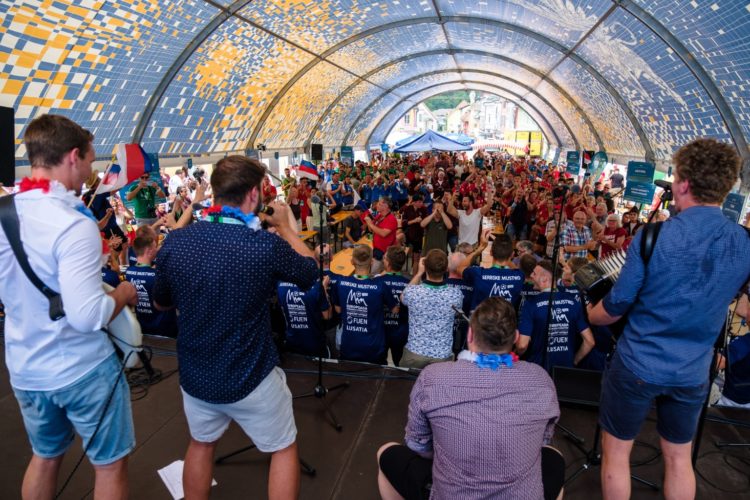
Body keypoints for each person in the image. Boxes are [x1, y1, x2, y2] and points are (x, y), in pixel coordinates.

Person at [587, 138, 750, 500]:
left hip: (637, 364)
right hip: (693, 371)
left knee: (616, 454)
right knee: (679, 458)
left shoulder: (654, 236)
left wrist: (591, 315)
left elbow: (616, 305)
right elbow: (743, 307)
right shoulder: (744, 241)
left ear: (684, 184)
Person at [153, 155, 319, 500]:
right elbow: (309, 271)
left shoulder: (176, 242)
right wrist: (288, 227)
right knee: (284, 448)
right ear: (254, 196)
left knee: (200, 444)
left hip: (197, 374)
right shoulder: (264, 246)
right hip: (251, 374)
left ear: (215, 193)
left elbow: (161, 302)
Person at [0, 114, 138, 499]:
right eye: (91, 161)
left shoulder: (3, 214)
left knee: (44, 457)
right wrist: (123, 295)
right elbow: (87, 316)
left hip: (26, 369)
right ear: (73, 156)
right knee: (109, 465)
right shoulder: (73, 224)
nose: (91, 172)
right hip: (82, 369)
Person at [377, 298, 563, 500]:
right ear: (516, 337)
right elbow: (543, 440)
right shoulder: (541, 379)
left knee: (386, 453)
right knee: (554, 457)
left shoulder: (432, 377)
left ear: (470, 334)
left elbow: (417, 444)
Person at [516, 260, 595, 371]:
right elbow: (589, 342)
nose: (531, 276)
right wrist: (574, 361)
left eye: (534, 273)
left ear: (545, 279)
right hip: (564, 371)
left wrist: (515, 356)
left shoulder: (531, 305)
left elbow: (522, 345)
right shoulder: (573, 302)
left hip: (537, 371)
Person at [331, 245, 398, 364]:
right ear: (371, 261)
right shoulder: (381, 285)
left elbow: (338, 310)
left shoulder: (341, 283)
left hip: (349, 345)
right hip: (374, 348)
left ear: (352, 261)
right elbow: (395, 310)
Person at [400, 250, 464, 369]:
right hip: (442, 356)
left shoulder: (413, 292)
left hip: (415, 353)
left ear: (425, 267)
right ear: (446, 269)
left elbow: (402, 297)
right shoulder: (455, 294)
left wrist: (419, 273)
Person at [124, 226, 178, 338]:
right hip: (165, 330)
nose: (157, 249)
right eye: (155, 247)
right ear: (149, 251)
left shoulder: (129, 272)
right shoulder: (157, 275)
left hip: (143, 329)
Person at [458, 232, 526, 313]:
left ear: (491, 252)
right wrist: (506, 254)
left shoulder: (479, 274)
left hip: (481, 323)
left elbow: (460, 267)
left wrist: (480, 248)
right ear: (512, 254)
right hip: (505, 324)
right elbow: (515, 269)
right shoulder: (519, 276)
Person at [378, 246, 410, 366]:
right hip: (400, 330)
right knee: (399, 364)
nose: (383, 260)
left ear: (388, 263)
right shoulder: (409, 283)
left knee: (380, 363)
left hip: (382, 329)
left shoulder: (378, 281)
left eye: (385, 258)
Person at [364, 197, 398, 275]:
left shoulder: (391, 219)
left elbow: (383, 233)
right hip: (377, 250)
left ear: (385, 206)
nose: (376, 205)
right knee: (374, 273)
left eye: (379, 204)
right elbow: (371, 230)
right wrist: (368, 220)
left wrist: (370, 224)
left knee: (373, 274)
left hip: (385, 253)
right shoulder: (379, 216)